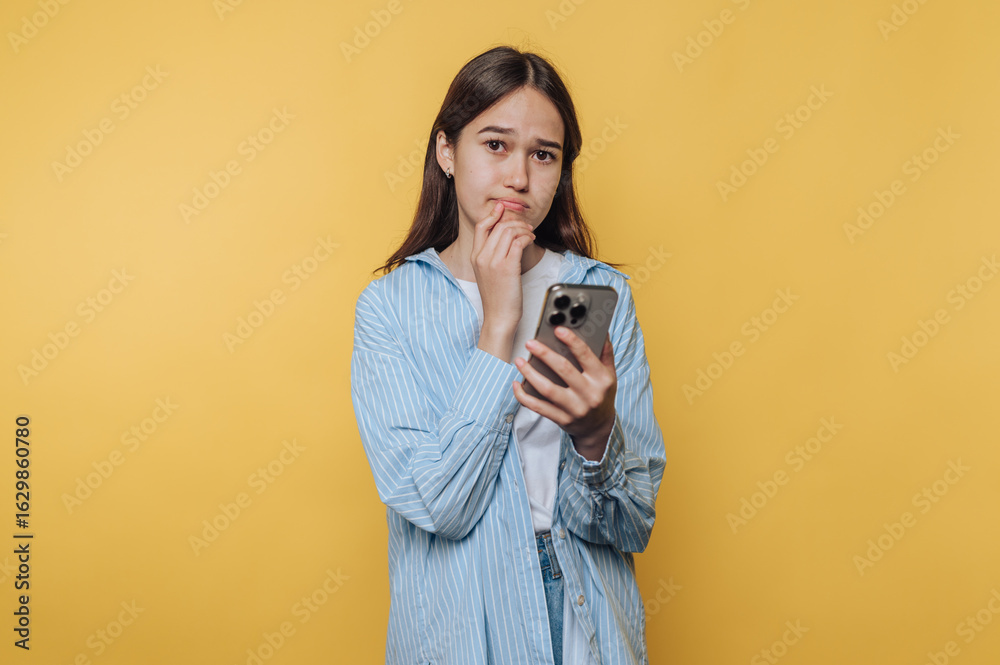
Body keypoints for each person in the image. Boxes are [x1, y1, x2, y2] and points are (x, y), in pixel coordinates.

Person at [350, 45, 666, 665]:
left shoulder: (587, 295)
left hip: (586, 616)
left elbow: (632, 524)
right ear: (447, 152)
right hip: (460, 624)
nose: (519, 177)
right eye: (495, 144)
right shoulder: (391, 307)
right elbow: (438, 505)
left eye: (543, 154)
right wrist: (499, 324)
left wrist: (595, 438)